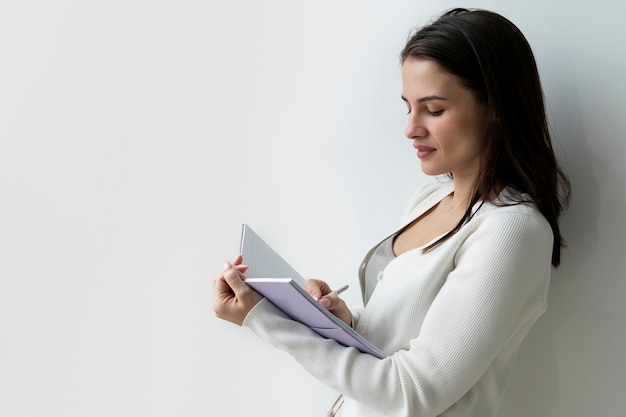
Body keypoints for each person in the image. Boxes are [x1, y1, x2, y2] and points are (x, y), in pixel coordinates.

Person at [213, 7, 571, 417]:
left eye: (433, 110)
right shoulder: (425, 202)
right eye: (408, 107)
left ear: (496, 108)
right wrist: (344, 321)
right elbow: (400, 342)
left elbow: (413, 391)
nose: (411, 128)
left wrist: (267, 320)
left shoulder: (513, 231)